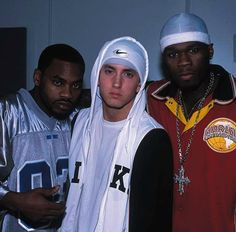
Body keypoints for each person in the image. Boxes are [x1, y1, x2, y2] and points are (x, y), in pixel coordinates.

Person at [59, 36, 173, 232]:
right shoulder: (79, 122)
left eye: (128, 74)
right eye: (109, 71)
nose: (117, 83)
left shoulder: (152, 138)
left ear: (140, 84)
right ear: (97, 75)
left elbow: (156, 217)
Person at [147, 12, 236, 232]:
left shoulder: (234, 99)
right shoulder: (151, 99)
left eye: (193, 50)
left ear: (210, 51)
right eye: (172, 54)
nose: (184, 61)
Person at [0, 43, 85, 231]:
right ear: (38, 77)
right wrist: (14, 200)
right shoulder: (8, 112)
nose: (67, 94)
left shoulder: (78, 119)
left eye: (76, 85)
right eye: (58, 82)